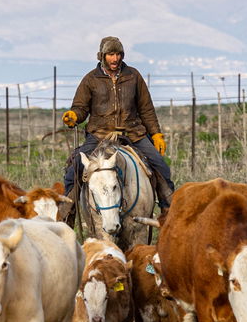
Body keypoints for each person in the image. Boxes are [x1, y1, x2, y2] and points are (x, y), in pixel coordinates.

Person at [61, 36, 174, 211]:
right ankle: (66, 214)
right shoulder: (91, 79)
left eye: (118, 54)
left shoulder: (133, 76)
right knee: (74, 169)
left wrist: (156, 134)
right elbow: (80, 107)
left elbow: (146, 109)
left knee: (160, 166)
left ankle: (169, 213)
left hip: (133, 133)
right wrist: (74, 116)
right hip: (99, 134)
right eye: (111, 54)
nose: (116, 58)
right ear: (102, 56)